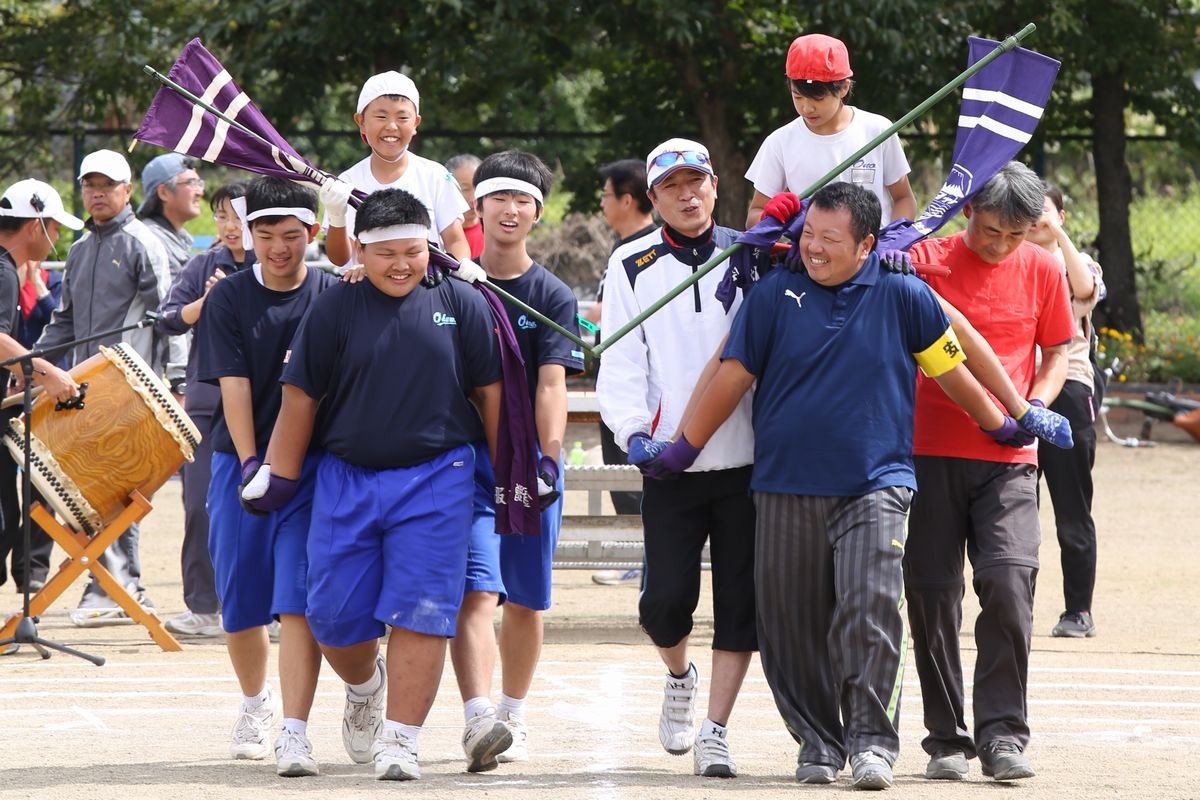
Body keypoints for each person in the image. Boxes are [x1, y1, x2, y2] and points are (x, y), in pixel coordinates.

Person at [648, 182, 1030, 789]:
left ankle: (873, 744)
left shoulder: (905, 295)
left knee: (870, 607)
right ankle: (818, 742)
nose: (814, 249)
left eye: (830, 240)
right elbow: (732, 377)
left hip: (875, 483)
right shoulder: (774, 294)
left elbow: (950, 370)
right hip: (784, 484)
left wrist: (1002, 424)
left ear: (868, 245)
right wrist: (683, 449)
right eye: (807, 237)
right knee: (790, 621)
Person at [246, 188, 502, 781]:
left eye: (414, 252)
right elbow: (300, 395)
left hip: (440, 476)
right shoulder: (336, 306)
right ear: (359, 249)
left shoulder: (462, 301)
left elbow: (489, 394)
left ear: (431, 247)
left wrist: (505, 469)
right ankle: (365, 685)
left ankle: (401, 740)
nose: (401, 265)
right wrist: (280, 476)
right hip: (346, 477)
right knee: (332, 615)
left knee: (423, 611)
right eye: (386, 254)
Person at [904, 161, 1075, 783]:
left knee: (1009, 583)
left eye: (1015, 234)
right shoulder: (927, 260)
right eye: (990, 230)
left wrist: (1038, 406)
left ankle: (1003, 734)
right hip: (929, 447)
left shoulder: (1043, 266)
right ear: (967, 209)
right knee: (931, 593)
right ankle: (946, 736)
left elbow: (1058, 347)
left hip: (1010, 457)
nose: (1001, 245)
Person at [596, 138, 757, 779]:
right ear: (654, 197)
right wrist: (635, 433)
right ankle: (679, 675)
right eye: (672, 186)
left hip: (747, 461)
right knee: (663, 603)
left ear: (716, 186)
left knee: (742, 605)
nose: (688, 195)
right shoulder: (631, 261)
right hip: (672, 462)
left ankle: (716, 729)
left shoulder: (752, 254)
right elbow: (623, 356)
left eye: (699, 182)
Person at [193, 176, 337, 776]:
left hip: (314, 469)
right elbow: (234, 387)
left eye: (293, 235)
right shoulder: (228, 299)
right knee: (242, 599)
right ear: (247, 234)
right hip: (240, 462)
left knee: (301, 599)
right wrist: (253, 464)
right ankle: (256, 704)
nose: (280, 247)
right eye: (266, 234)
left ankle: (297, 730)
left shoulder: (334, 291)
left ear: (314, 233)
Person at [450, 151, 583, 772]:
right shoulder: (451, 282)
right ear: (475, 208)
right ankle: (478, 720)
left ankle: (513, 714)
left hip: (527, 466)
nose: (510, 210)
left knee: (527, 600)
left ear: (537, 211)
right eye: (497, 198)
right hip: (463, 463)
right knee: (475, 593)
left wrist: (549, 462)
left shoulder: (551, 293)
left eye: (523, 200)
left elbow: (552, 383)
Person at [36, 149, 173, 627]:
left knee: (120, 486)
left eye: (106, 185)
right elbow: (65, 320)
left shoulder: (142, 242)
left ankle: (118, 586)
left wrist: (173, 383)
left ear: (127, 190)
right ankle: (113, 586)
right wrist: (32, 362)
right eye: (89, 185)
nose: (96, 193)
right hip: (79, 388)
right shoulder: (77, 248)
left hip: (129, 389)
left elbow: (171, 318)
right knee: (91, 485)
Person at [155, 182, 254, 638]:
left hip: (264, 407)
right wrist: (207, 301)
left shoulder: (275, 266)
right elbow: (169, 319)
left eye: (239, 216)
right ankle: (202, 607)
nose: (230, 227)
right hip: (206, 405)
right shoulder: (202, 265)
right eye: (221, 217)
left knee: (264, 506)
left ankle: (268, 609)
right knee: (200, 505)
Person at [1027, 181, 1105, 638]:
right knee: (1015, 507)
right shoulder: (1010, 259)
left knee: (1072, 508)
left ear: (1062, 216)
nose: (1037, 218)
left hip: (1069, 389)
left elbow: (1084, 288)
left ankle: (1079, 610)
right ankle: (1016, 603)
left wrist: (1058, 236)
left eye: (1047, 211)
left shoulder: (1073, 262)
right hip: (1016, 391)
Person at [744, 33, 916, 229]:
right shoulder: (780, 142)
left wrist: (894, 240)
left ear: (843, 87)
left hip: (873, 253)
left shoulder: (878, 131)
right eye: (797, 97)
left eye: (818, 99)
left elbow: (904, 199)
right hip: (810, 255)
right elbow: (753, 217)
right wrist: (772, 216)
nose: (807, 108)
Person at [0, 179, 80, 594]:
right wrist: (44, 370)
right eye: (55, 227)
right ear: (35, 226)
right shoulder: (3, 271)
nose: (57, 238)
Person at [321, 71, 471, 266]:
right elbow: (340, 259)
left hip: (427, 288)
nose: (391, 126)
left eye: (402, 118)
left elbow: (455, 241)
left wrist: (462, 266)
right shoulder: (348, 182)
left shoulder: (435, 176)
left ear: (416, 122)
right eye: (381, 116)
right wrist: (336, 216)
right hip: (364, 290)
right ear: (361, 122)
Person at [593, 159, 655, 524]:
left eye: (606, 195)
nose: (602, 203)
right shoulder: (623, 248)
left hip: (636, 378)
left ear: (627, 200)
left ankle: (637, 547)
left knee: (629, 465)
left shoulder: (646, 250)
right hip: (612, 368)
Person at [139, 152, 205, 397]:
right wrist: (178, 379)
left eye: (200, 183)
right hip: (159, 379)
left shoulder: (176, 240)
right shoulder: (152, 240)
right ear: (164, 192)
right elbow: (167, 310)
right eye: (191, 183)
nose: (199, 191)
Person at [446, 154, 484, 258]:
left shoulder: (493, 231)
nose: (473, 198)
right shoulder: (438, 234)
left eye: (478, 187)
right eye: (465, 189)